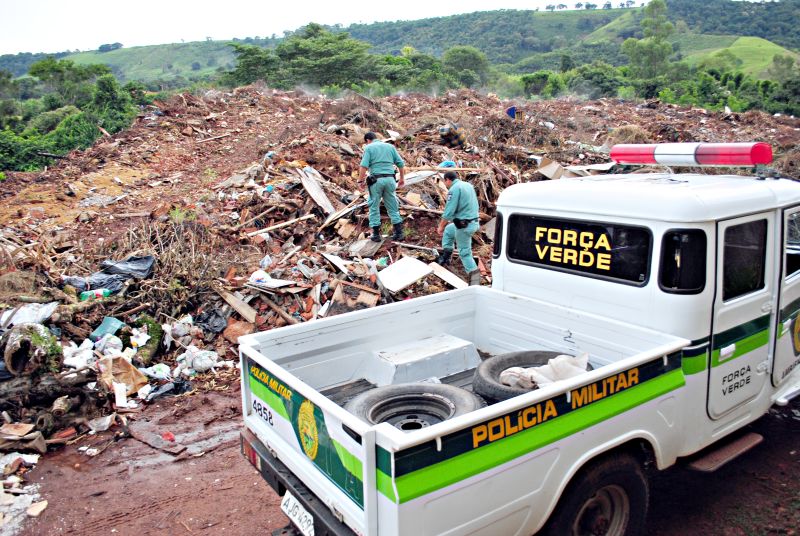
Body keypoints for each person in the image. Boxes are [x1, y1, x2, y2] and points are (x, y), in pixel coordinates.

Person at [359, 132, 406, 242]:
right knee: (392, 205)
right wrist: (402, 178)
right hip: (390, 180)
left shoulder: (369, 148)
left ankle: (375, 234)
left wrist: (360, 181)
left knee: (374, 205)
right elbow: (400, 164)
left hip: (376, 180)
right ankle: (399, 233)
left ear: (367, 140)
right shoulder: (390, 147)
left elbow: (363, 166)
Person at [437, 171, 481, 286]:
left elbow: (449, 211)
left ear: (447, 180)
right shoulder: (468, 185)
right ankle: (446, 257)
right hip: (473, 222)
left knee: (465, 253)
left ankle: (475, 282)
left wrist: (441, 226)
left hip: (464, 225)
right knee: (449, 231)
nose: (445, 184)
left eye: (445, 182)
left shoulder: (454, 189)